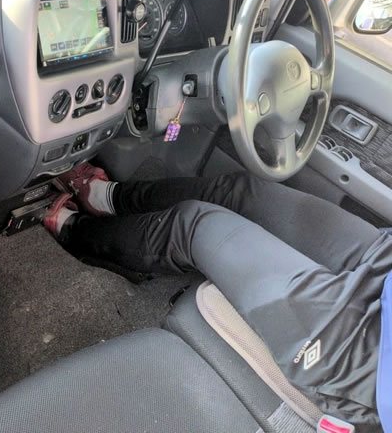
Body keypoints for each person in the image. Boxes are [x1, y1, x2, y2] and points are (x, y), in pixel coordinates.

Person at [43, 163, 391, 433]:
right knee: (240, 192)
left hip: (368, 364)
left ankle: (75, 231)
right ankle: (106, 197)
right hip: (385, 267)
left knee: (192, 225)